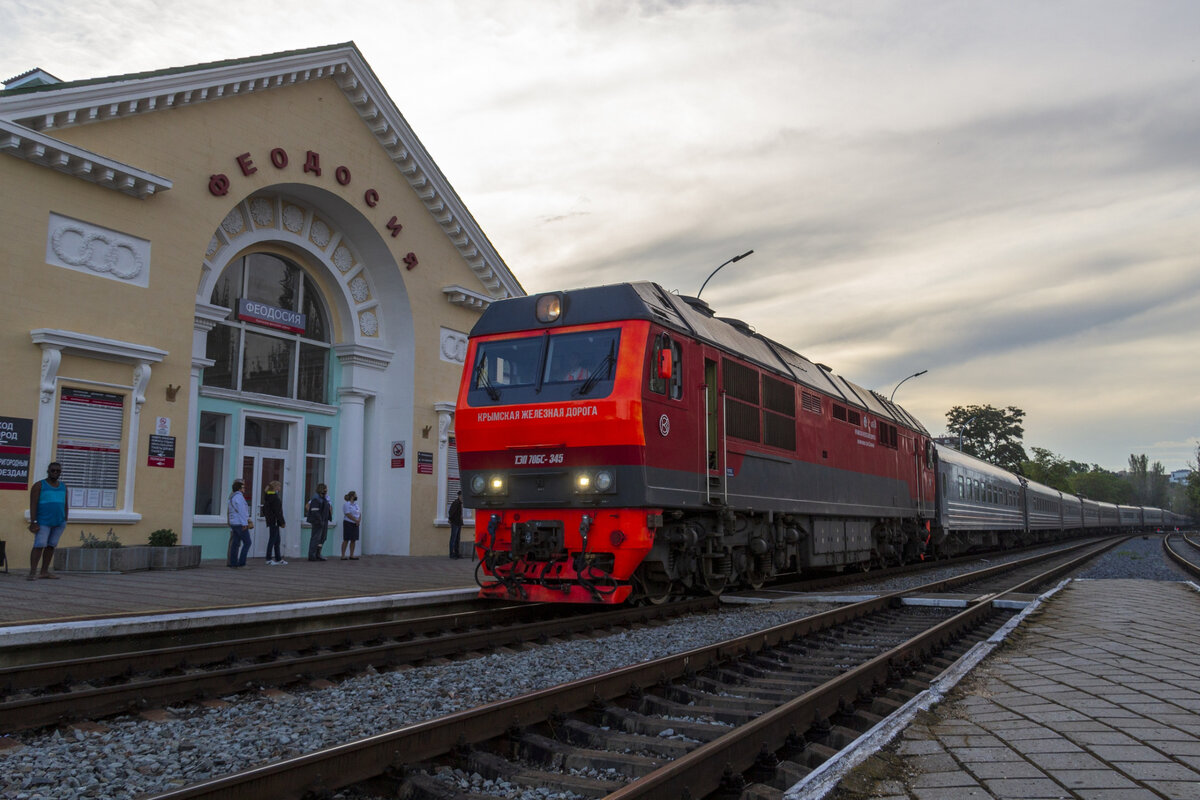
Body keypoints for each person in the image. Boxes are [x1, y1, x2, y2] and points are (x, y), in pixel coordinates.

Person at [27, 462, 68, 580]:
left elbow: (65, 503)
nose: (55, 473)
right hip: (43, 521)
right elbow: (33, 504)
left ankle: (44, 572)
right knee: (39, 545)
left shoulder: (63, 486)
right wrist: (33, 521)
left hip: (59, 522)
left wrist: (65, 519)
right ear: (48, 471)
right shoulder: (39, 485)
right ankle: (32, 573)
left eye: (58, 471)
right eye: (53, 470)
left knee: (51, 546)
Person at [227, 478, 251, 568]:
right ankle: (242, 562)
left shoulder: (231, 497)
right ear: (239, 488)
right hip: (240, 523)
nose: (244, 489)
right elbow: (242, 511)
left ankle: (233, 563)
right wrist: (245, 523)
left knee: (235, 543)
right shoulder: (239, 497)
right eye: (243, 487)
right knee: (247, 542)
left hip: (234, 522)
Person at [306, 483, 332, 561]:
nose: (326, 490)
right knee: (315, 538)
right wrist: (320, 520)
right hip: (318, 521)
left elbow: (328, 508)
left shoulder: (324, 498)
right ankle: (312, 555)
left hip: (324, 520)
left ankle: (318, 554)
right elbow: (315, 511)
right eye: (325, 489)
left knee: (322, 538)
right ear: (321, 489)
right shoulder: (316, 498)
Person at [263, 480, 286, 565]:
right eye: (279, 486)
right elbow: (278, 512)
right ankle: (269, 559)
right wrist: (282, 522)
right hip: (275, 521)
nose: (280, 488)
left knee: (277, 540)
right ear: (275, 487)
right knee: (273, 540)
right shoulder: (274, 498)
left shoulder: (268, 496)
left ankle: (278, 558)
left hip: (271, 520)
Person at [341, 490, 361, 560]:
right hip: (348, 523)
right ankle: (343, 555)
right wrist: (355, 520)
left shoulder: (356, 505)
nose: (356, 496)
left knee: (353, 539)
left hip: (355, 523)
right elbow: (347, 514)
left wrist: (358, 520)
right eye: (355, 495)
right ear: (352, 496)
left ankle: (351, 555)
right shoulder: (347, 504)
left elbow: (359, 513)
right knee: (346, 539)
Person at [448, 490, 464, 559]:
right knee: (453, 539)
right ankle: (452, 554)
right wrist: (450, 519)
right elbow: (451, 512)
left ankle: (457, 553)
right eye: (462, 496)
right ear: (459, 496)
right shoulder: (456, 503)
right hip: (455, 523)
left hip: (458, 523)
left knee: (457, 539)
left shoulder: (460, 503)